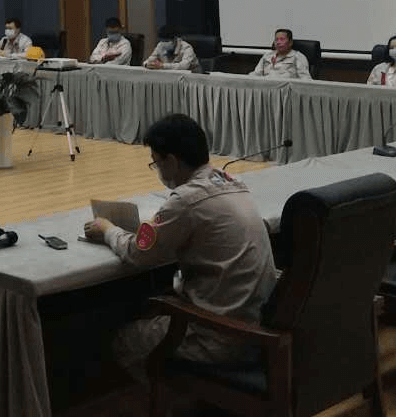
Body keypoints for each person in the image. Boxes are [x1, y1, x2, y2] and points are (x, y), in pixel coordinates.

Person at [83, 114, 277, 363]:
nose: (157, 170)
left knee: (125, 340)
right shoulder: (233, 182)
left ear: (172, 161)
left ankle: (171, 386)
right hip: (258, 328)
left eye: (155, 163)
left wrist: (107, 229)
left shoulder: (186, 200)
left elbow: (137, 253)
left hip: (221, 337)